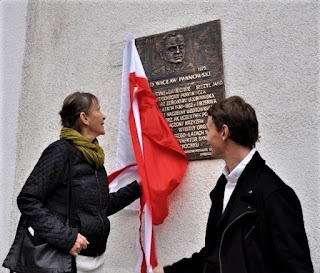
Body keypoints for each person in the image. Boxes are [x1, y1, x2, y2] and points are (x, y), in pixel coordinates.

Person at [154, 96, 313, 273]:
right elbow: (213, 256)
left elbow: (297, 267)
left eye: (208, 130)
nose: (206, 138)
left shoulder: (274, 193)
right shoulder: (223, 186)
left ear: (224, 132)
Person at [17, 92, 142, 273]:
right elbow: (28, 199)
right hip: (64, 261)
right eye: (98, 110)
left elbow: (100, 207)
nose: (104, 116)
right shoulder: (60, 152)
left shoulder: (93, 157)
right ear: (84, 118)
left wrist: (138, 187)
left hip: (93, 260)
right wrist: (66, 237)